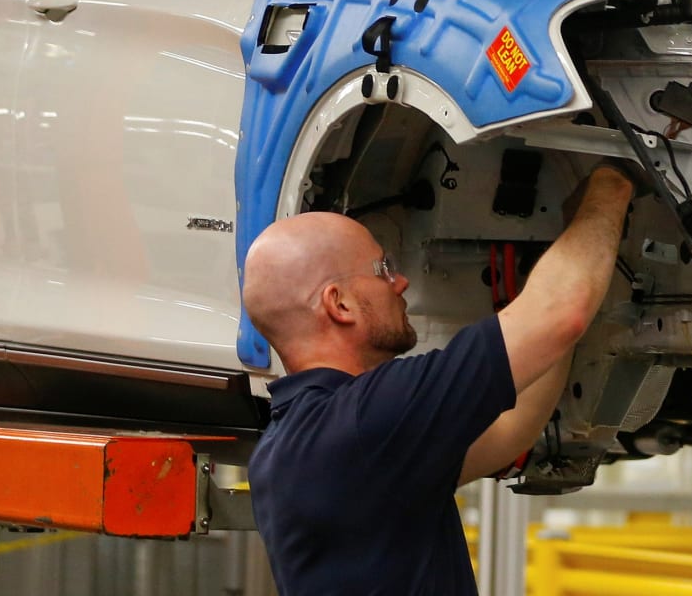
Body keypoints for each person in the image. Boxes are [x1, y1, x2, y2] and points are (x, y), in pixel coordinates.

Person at [242, 161, 635, 594]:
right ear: (340, 305)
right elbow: (561, 315)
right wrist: (608, 186)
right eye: (383, 269)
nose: (401, 281)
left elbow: (510, 430)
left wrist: (549, 321)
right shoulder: (362, 422)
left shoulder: (291, 448)